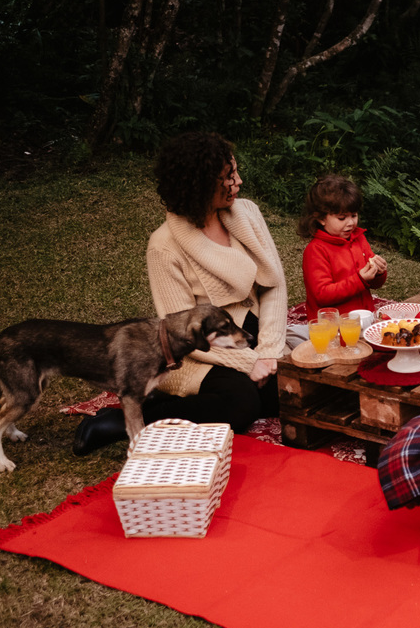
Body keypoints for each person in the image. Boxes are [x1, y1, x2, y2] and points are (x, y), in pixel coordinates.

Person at [72, 131, 289, 454]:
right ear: (200, 185)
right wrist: (248, 362)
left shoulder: (248, 214)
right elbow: (181, 333)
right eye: (228, 177)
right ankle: (124, 421)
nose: (239, 182)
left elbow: (275, 286)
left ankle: (187, 399)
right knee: (242, 404)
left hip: (247, 333)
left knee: (290, 394)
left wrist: (269, 351)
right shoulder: (163, 246)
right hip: (196, 352)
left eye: (235, 172)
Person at [300, 173, 387, 319]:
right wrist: (360, 280)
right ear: (321, 218)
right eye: (342, 218)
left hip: (364, 318)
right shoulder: (316, 250)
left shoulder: (359, 239)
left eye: (354, 215)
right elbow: (322, 295)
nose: (351, 223)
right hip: (333, 324)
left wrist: (379, 273)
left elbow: (374, 284)